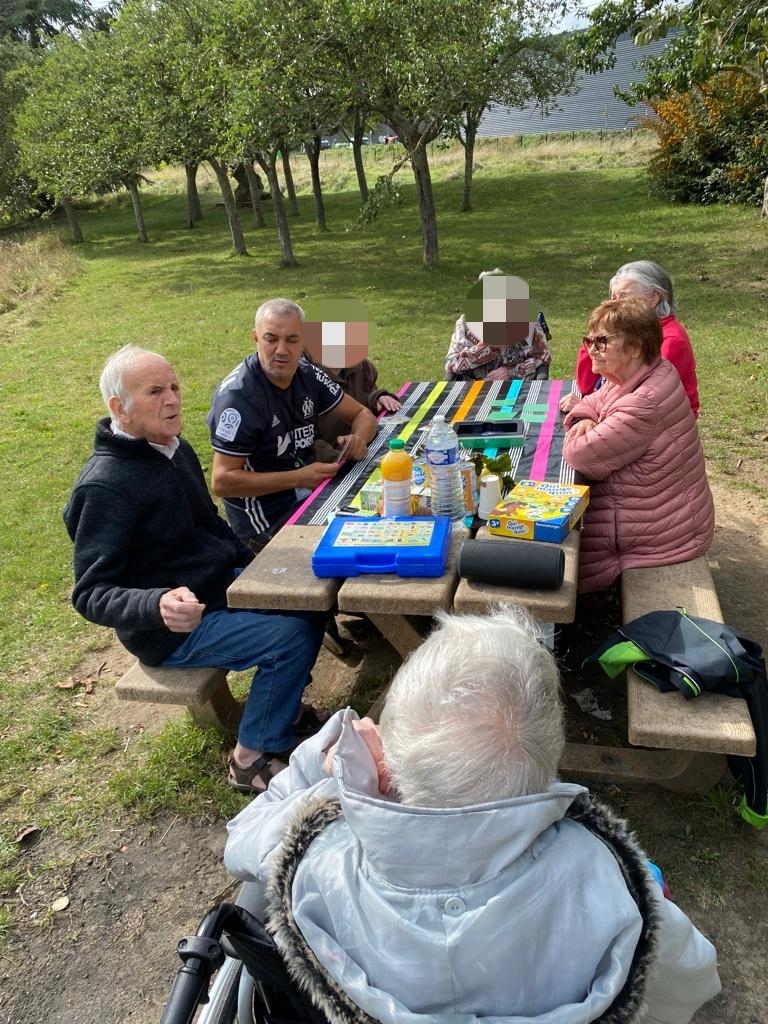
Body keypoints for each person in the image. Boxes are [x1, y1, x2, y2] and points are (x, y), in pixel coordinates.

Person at [224, 607, 720, 1024]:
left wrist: (328, 766)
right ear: (548, 758)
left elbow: (241, 839)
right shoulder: (606, 879)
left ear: (389, 767)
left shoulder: (317, 861)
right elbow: (692, 981)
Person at [63, 345, 327, 794]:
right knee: (289, 638)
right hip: (170, 630)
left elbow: (209, 526)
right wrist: (156, 603)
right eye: (154, 392)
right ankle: (251, 758)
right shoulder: (104, 487)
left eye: (174, 387)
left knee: (309, 597)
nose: (172, 400)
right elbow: (90, 592)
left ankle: (281, 706)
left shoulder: (173, 448)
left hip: (219, 587)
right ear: (118, 408)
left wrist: (254, 564)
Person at [563, 298, 714, 593]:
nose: (591, 349)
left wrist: (580, 426)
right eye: (589, 339)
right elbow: (594, 400)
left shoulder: (644, 402)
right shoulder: (643, 372)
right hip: (663, 516)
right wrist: (584, 416)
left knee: (549, 556)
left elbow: (577, 455)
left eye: (602, 341)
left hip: (661, 536)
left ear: (634, 348)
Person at [207, 297, 378, 551]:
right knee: (356, 544)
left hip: (309, 493)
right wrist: (298, 478)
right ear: (255, 338)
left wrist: (358, 439)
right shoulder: (238, 398)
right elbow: (221, 481)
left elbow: (362, 414)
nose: (282, 350)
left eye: (292, 340)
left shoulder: (309, 374)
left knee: (382, 512)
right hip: (266, 521)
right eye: (271, 338)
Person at [560, 260, 699, 416]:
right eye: (613, 298)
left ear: (653, 298)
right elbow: (585, 385)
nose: (614, 306)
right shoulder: (625, 333)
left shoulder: (670, 341)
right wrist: (597, 334)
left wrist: (588, 409)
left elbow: (641, 404)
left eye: (624, 297)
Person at [444, 269, 551, 381]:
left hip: (516, 388)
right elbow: (450, 364)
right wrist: (483, 348)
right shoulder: (465, 324)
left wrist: (511, 372)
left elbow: (543, 358)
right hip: (474, 390)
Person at [311, 357, 401, 462]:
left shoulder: (361, 365)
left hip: (364, 450)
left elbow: (362, 407)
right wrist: (336, 457)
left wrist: (376, 398)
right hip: (328, 463)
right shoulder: (305, 375)